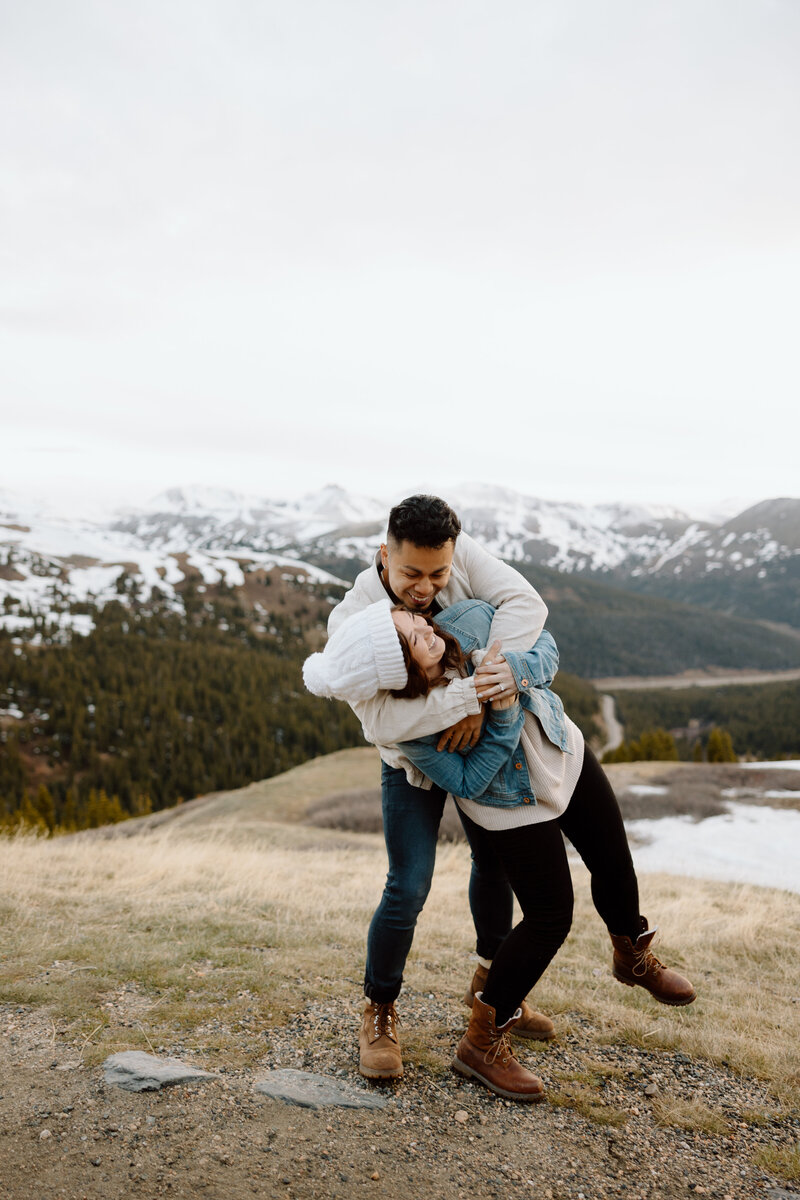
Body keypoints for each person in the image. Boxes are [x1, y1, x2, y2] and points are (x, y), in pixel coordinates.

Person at [304, 595, 696, 1103]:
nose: (428, 625)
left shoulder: (465, 619)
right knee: (550, 917)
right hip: (508, 802)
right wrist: (503, 710)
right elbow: (468, 779)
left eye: (413, 619)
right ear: (401, 672)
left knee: (614, 861)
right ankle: (482, 1042)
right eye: (414, 636)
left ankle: (633, 953)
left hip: (560, 748)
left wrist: (512, 673)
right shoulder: (414, 725)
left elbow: (544, 643)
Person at [314, 494, 554, 1079]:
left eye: (439, 574)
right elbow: (382, 723)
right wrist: (465, 702)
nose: (426, 589)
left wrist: (484, 680)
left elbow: (527, 604)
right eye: (411, 574)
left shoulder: (459, 551)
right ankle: (379, 1009)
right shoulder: (352, 620)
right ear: (383, 555)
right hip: (411, 763)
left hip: (481, 744)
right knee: (408, 885)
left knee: (492, 864)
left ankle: (492, 988)